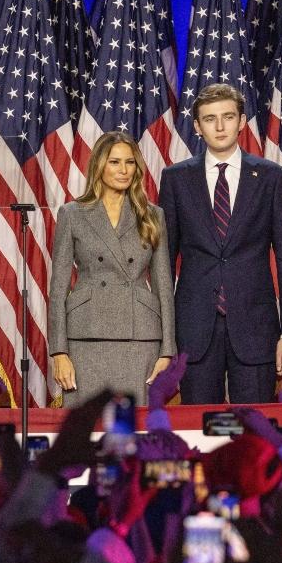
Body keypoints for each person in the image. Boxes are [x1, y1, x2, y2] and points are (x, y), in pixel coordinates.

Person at [158, 83, 282, 404]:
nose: (220, 126)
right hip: (194, 330)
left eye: (227, 117)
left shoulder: (271, 177)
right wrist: (167, 338)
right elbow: (163, 263)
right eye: (210, 119)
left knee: (254, 438)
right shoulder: (175, 179)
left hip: (256, 328)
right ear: (197, 126)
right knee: (198, 432)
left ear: (242, 121)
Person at [48, 131, 175, 407]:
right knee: (86, 434)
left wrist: (167, 350)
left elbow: (164, 285)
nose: (124, 170)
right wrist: (59, 352)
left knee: (134, 436)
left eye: (129, 162)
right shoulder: (72, 214)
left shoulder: (153, 215)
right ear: (99, 165)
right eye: (115, 162)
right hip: (85, 335)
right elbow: (58, 289)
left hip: (140, 336)